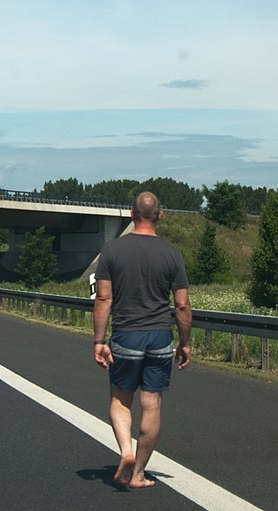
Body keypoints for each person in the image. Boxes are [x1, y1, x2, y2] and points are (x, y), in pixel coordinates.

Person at [92, 191, 192, 488]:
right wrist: (185, 342)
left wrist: (99, 339)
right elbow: (183, 305)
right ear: (160, 216)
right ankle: (138, 474)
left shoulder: (112, 251)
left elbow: (104, 298)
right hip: (161, 336)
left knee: (121, 400)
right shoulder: (173, 254)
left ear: (130, 214)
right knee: (151, 405)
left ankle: (125, 451)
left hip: (126, 335)